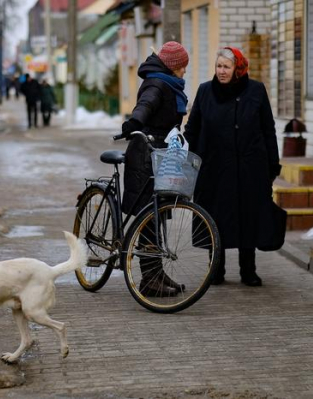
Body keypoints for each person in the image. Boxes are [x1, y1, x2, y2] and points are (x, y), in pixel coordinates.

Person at [184, 47, 281, 287]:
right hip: (214, 168)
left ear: (238, 69)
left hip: (250, 167)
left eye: (226, 67)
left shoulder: (256, 90)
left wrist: (272, 163)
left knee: (248, 216)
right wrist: (190, 159)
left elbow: (268, 129)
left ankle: (248, 270)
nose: (221, 71)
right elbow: (193, 128)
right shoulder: (206, 91)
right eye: (218, 66)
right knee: (214, 217)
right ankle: (215, 270)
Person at [121, 41, 189, 297]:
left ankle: (156, 272)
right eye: (183, 66)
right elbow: (146, 104)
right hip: (145, 155)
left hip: (160, 153)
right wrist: (135, 121)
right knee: (149, 218)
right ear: (173, 66)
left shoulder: (166, 82)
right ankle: (149, 279)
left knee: (157, 215)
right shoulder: (157, 83)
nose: (185, 71)